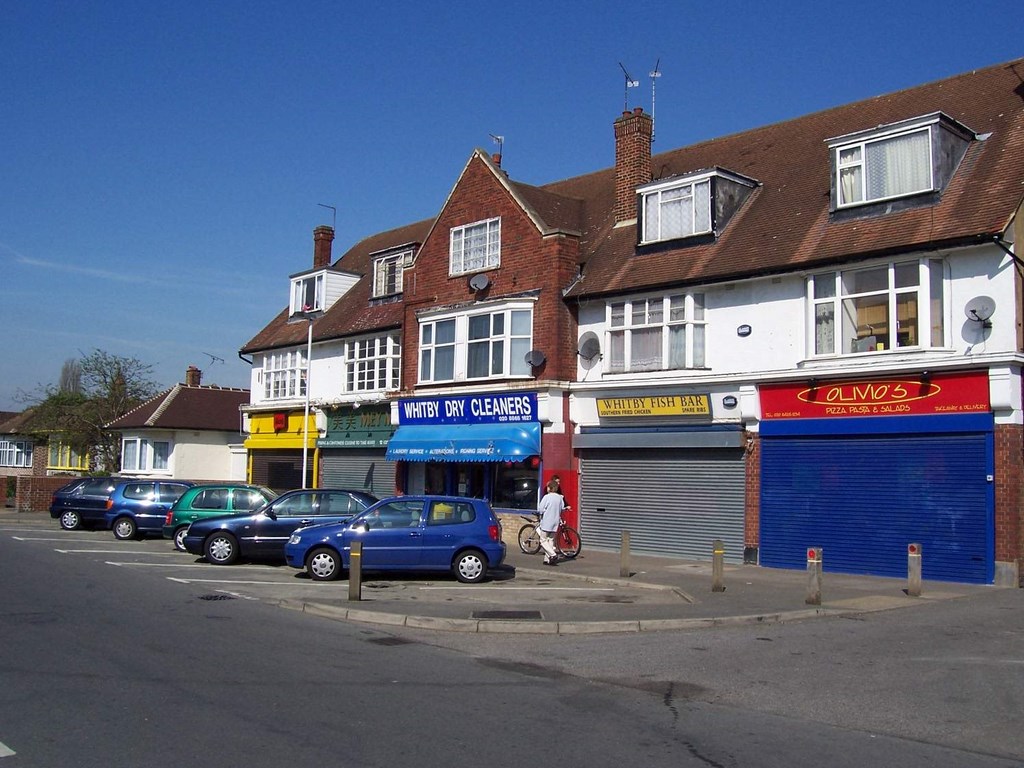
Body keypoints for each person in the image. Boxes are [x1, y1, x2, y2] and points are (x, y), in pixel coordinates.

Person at [536, 479, 565, 565]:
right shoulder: (559, 498)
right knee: (550, 540)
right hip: (555, 522)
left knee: (543, 540)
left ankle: (553, 554)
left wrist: (542, 512)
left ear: (550, 488)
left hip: (547, 521)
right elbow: (562, 508)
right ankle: (547, 559)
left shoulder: (546, 497)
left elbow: (540, 509)